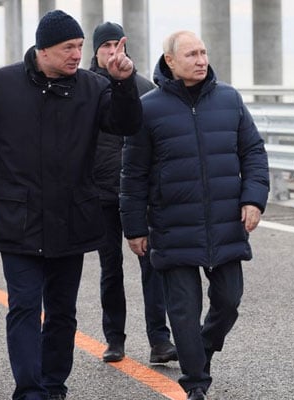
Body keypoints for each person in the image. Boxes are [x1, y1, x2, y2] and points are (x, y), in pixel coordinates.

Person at [0, 9, 142, 400]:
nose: (76, 55)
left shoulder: (93, 87)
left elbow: (127, 124)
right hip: (19, 217)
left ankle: (53, 386)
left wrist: (123, 82)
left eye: (80, 47)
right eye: (69, 47)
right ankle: (29, 390)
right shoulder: (1, 85)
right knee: (25, 307)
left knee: (62, 312)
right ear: (43, 49)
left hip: (71, 217)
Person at [119, 30, 269, 400]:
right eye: (191, 54)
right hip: (173, 227)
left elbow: (253, 153)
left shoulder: (230, 99)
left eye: (203, 52)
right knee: (183, 313)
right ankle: (196, 385)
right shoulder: (149, 108)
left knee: (229, 302)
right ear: (170, 61)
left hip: (225, 225)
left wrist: (254, 199)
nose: (201, 60)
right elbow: (133, 174)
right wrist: (135, 228)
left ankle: (201, 350)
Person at [90, 21, 177, 365]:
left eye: (117, 44)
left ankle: (160, 340)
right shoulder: (84, 89)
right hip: (100, 194)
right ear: (94, 51)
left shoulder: (144, 88)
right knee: (110, 268)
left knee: (152, 266)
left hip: (140, 194)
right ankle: (114, 339)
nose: (112, 51)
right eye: (105, 46)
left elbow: (158, 140)